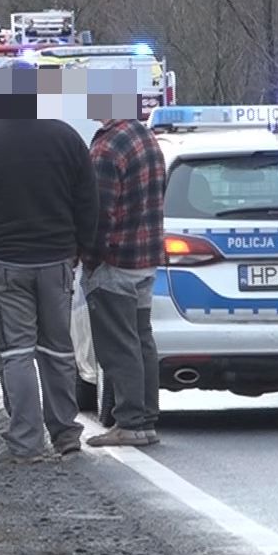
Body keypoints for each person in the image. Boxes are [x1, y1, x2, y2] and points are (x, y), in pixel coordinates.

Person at [0, 114, 98, 463]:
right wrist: (82, 247)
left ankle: (27, 442)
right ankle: (65, 434)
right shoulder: (65, 138)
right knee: (58, 350)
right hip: (57, 259)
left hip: (1, 263)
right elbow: (88, 197)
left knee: (16, 352)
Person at [83, 110, 168, 447]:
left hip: (115, 259)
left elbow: (99, 212)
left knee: (118, 344)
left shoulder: (107, 150)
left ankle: (130, 422)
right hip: (146, 256)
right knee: (141, 339)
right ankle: (146, 419)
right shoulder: (145, 138)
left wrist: (89, 258)